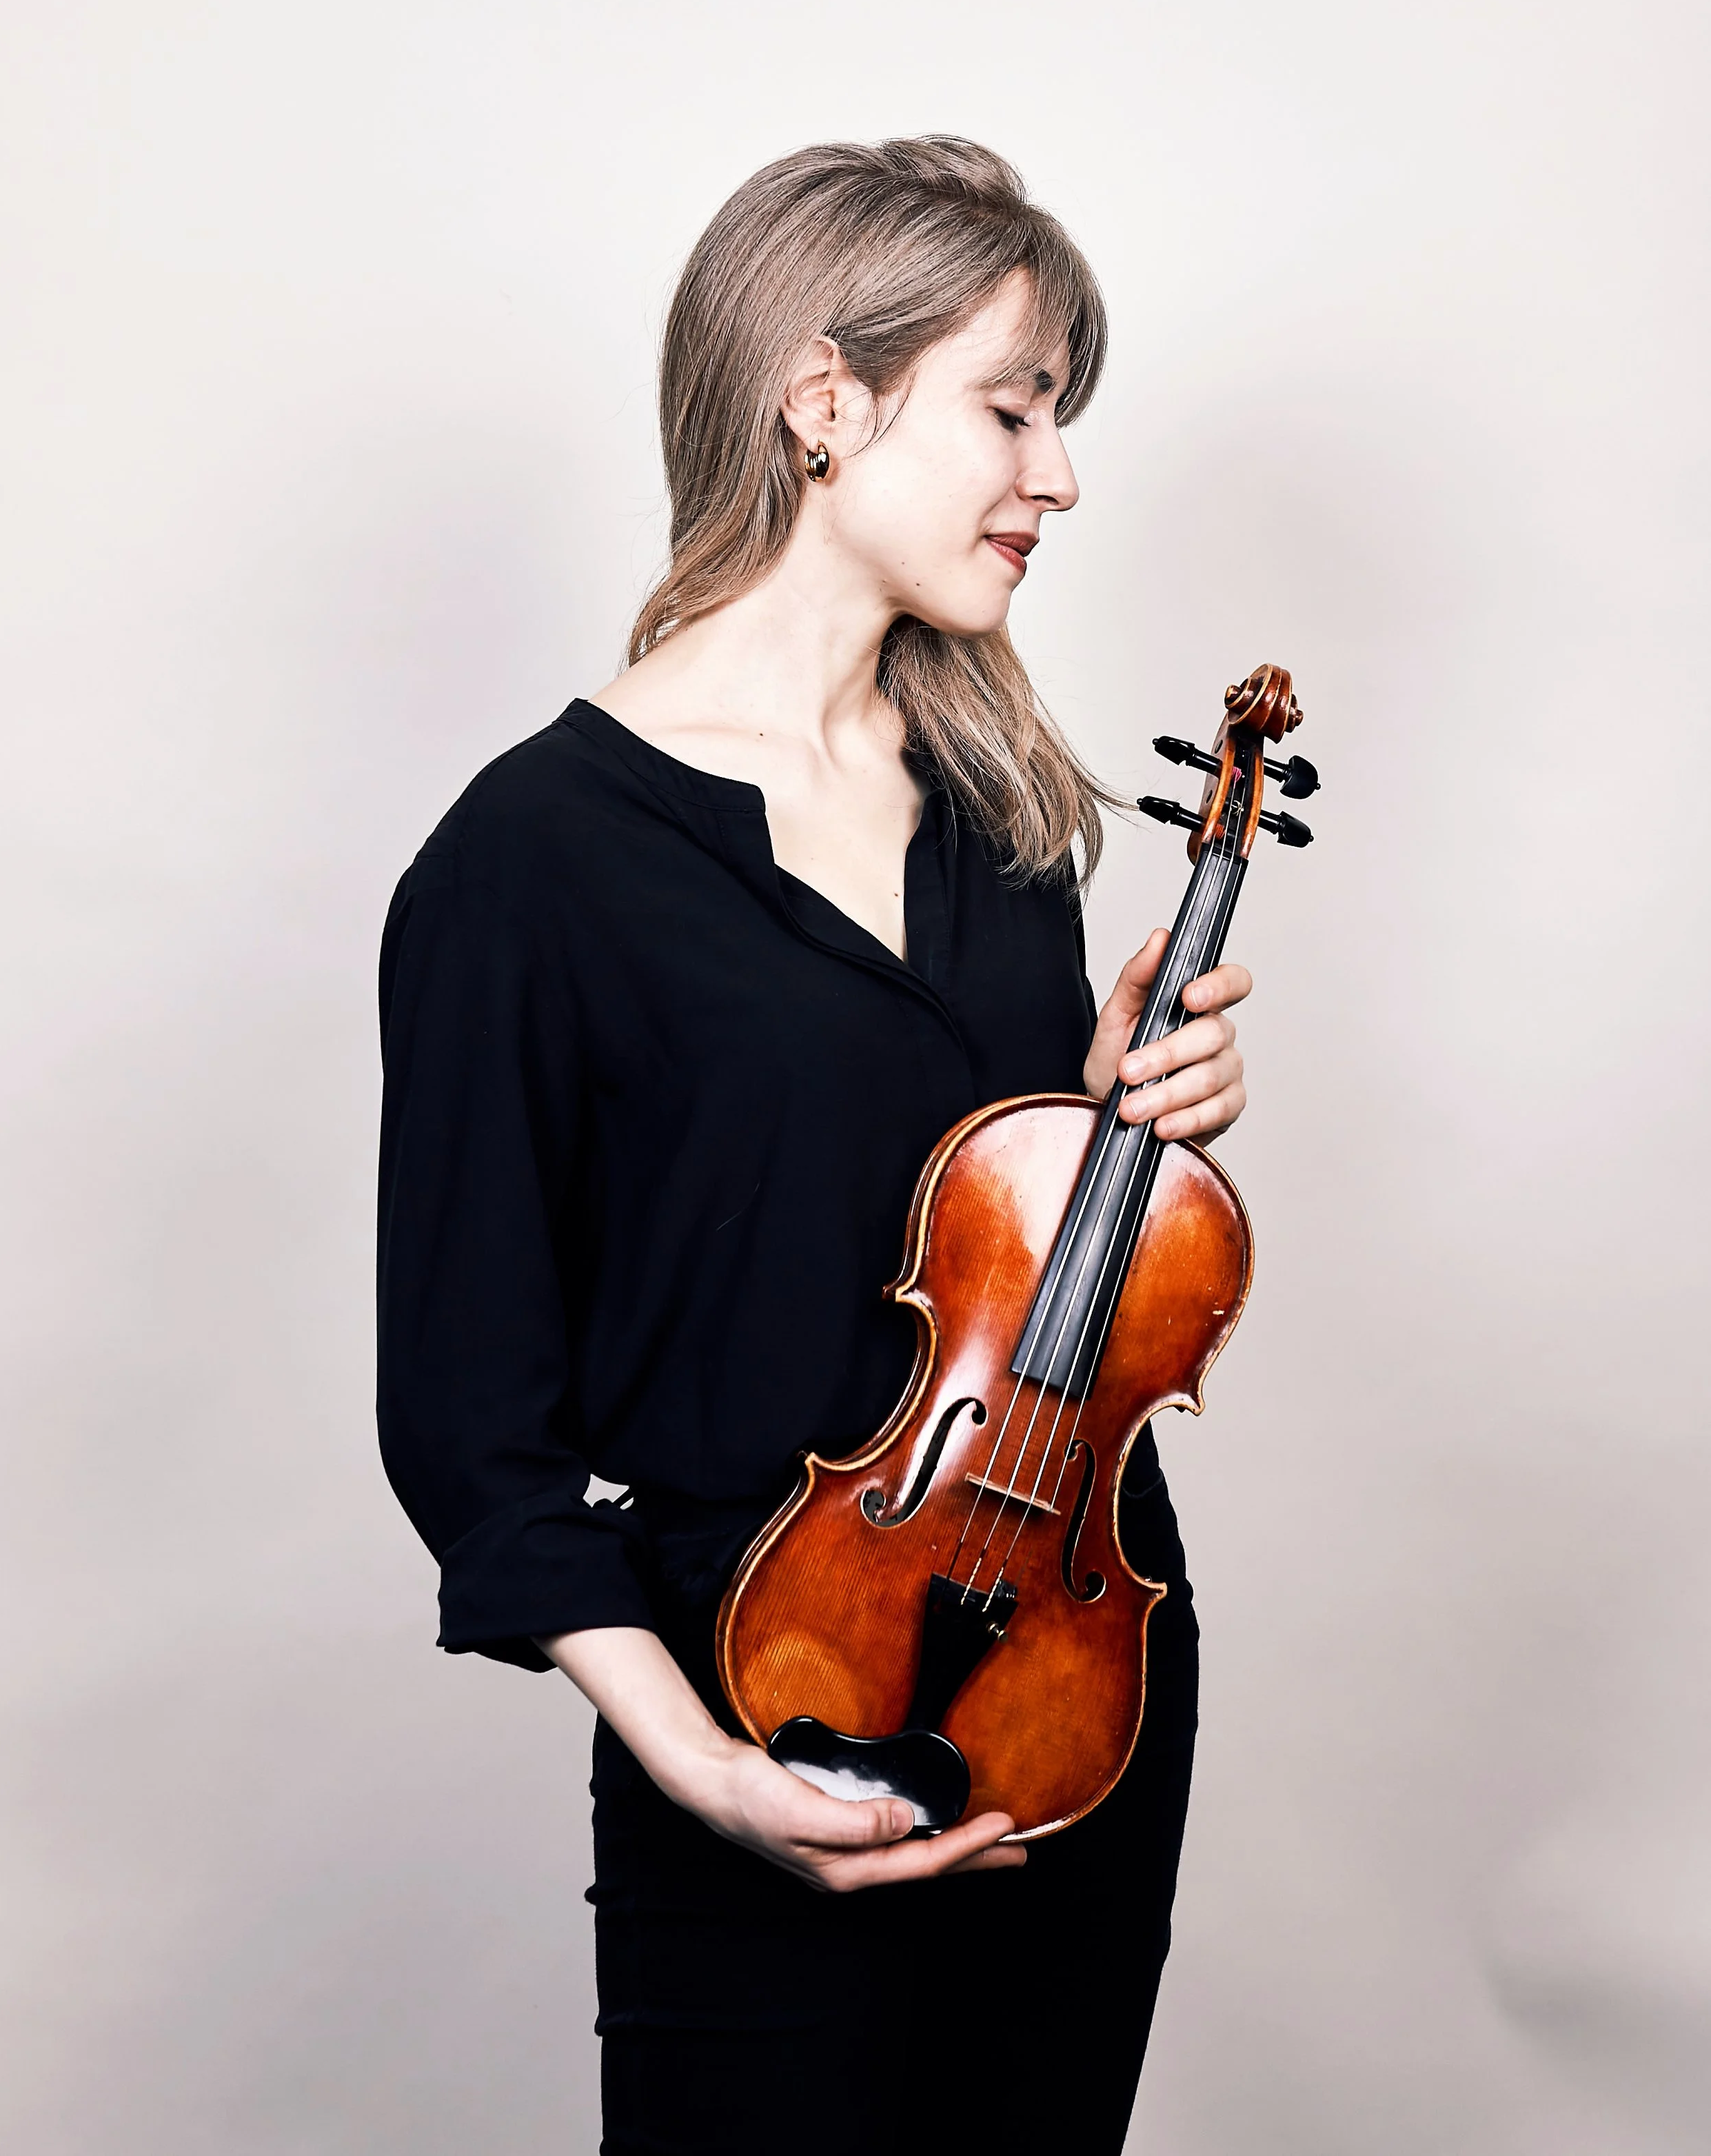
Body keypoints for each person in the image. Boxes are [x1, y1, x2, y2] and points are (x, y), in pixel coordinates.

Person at [376, 137, 1251, 2155]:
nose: (1058, 476)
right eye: (1012, 406)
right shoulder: (531, 863)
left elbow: (1006, 1308)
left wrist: (1106, 1125)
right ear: (824, 402)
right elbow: (468, 1423)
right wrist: (696, 1761)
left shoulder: (1000, 808)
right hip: (753, 1696)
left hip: (1073, 1685)